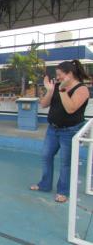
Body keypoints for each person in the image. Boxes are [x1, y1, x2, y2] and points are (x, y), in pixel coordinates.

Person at [30, 60, 90, 203]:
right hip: (53, 129)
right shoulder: (56, 87)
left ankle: (63, 191)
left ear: (70, 74)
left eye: (59, 75)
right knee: (46, 156)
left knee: (66, 163)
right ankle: (45, 184)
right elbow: (44, 104)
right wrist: (51, 90)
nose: (57, 78)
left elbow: (71, 108)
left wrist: (62, 90)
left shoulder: (82, 89)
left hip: (70, 131)